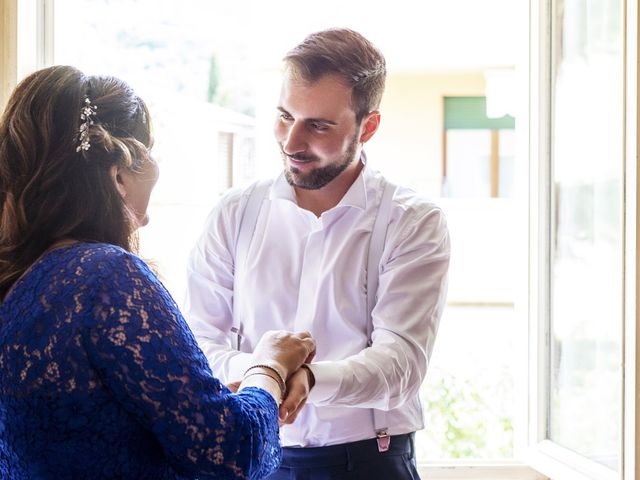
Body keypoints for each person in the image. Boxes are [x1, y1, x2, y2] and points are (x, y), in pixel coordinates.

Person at [0, 65, 316, 480]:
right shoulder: (107, 278)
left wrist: (211, 400)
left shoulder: (20, 283)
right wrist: (268, 366)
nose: (144, 221)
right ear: (119, 173)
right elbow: (233, 453)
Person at [185, 28, 450, 479]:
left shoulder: (411, 221)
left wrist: (307, 379)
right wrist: (267, 373)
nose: (291, 142)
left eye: (319, 125)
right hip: (252, 458)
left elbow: (402, 362)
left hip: (368, 462)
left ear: (368, 127)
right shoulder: (233, 213)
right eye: (285, 116)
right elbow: (197, 344)